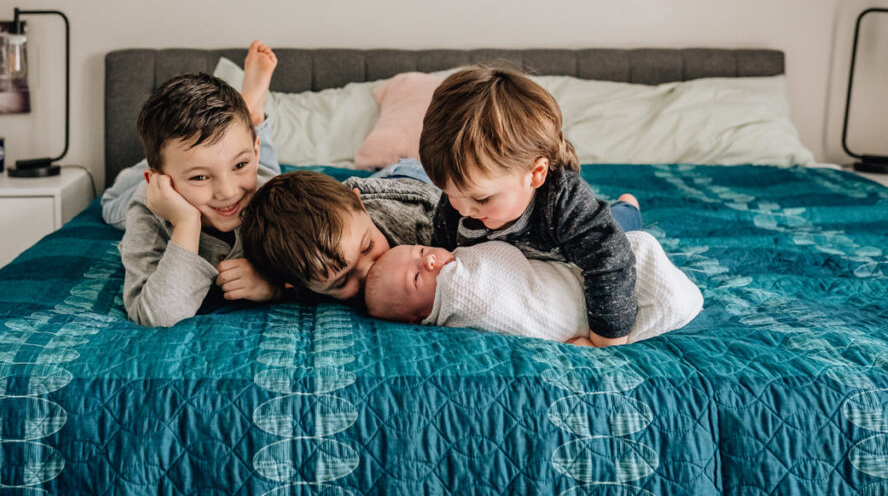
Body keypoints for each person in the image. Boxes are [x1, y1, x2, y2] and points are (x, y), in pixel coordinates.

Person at [419, 65, 638, 348]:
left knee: (621, 227)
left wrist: (603, 342)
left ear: (535, 174)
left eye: (481, 199)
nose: (463, 209)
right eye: (449, 193)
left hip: (579, 239)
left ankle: (629, 206)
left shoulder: (563, 201)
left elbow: (611, 260)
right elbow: (445, 259)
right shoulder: (457, 206)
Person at [119, 40, 280, 327]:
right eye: (200, 177)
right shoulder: (147, 210)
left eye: (241, 164)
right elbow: (157, 316)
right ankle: (248, 123)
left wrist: (275, 286)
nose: (228, 191)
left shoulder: (276, 196)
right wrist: (186, 224)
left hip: (262, 178)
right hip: (138, 190)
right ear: (159, 181)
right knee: (110, 205)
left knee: (266, 173)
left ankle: (252, 114)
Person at [363, 233, 703, 345]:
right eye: (417, 279)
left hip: (579, 272)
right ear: (414, 319)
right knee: (668, 300)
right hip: (577, 309)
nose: (431, 263)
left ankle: (627, 210)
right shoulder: (457, 296)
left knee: (630, 247)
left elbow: (508, 258)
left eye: (421, 252)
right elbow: (510, 310)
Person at [240, 167, 440, 301]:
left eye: (368, 246)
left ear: (361, 206)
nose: (369, 270)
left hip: (410, 177)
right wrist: (275, 290)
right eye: (343, 281)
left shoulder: (419, 226)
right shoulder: (311, 275)